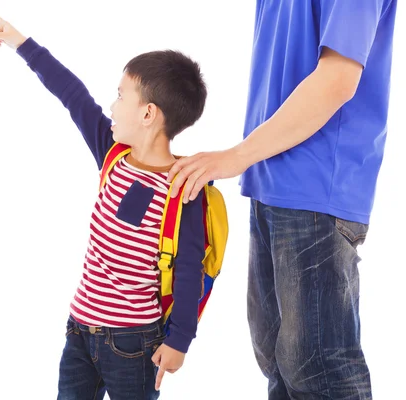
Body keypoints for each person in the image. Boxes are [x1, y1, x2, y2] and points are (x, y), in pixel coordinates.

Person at [167, 1, 398, 399]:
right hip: (269, 178)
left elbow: (338, 78)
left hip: (317, 186)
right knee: (279, 361)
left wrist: (235, 157)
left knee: (318, 368)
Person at [0, 7, 209, 399]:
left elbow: (191, 271)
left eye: (121, 95)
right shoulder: (112, 154)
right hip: (80, 330)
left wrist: (180, 341)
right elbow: (73, 95)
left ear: (148, 114)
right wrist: (23, 44)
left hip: (135, 344)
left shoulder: (183, 188)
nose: (111, 105)